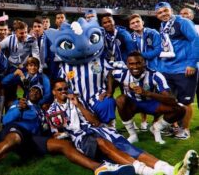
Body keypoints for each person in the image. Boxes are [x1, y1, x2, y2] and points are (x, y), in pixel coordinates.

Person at [0, 85, 135, 175]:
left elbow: (50, 127)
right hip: (17, 130)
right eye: (31, 90)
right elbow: (5, 120)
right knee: (13, 140)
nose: (34, 92)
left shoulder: (42, 111)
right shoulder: (21, 103)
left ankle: (100, 169)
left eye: (37, 92)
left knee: (65, 146)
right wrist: (19, 109)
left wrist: (59, 132)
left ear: (41, 97)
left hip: (33, 138)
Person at [47, 78, 199, 175]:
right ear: (54, 92)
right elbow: (57, 134)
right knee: (101, 143)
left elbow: (95, 122)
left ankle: (172, 170)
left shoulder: (78, 102)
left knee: (130, 148)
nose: (64, 92)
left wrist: (78, 104)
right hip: (82, 137)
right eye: (60, 89)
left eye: (66, 88)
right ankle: (149, 173)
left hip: (99, 130)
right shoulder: (52, 112)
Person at [110, 51, 186, 144]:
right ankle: (133, 135)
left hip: (151, 103)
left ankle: (156, 128)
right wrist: (110, 90)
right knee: (120, 99)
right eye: (132, 64)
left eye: (138, 63)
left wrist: (147, 93)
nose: (135, 67)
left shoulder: (155, 75)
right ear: (127, 64)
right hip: (132, 103)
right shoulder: (122, 74)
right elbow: (110, 74)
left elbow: (171, 99)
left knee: (180, 109)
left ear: (144, 63)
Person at [155, 2, 199, 139]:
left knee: (185, 102)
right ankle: (174, 127)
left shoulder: (183, 22)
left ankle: (185, 130)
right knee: (170, 101)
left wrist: (192, 63)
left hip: (184, 69)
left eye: (165, 11)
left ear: (171, 10)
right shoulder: (163, 26)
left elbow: (195, 40)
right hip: (168, 70)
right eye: (160, 12)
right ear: (157, 15)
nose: (163, 14)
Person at [128, 13, 162, 130]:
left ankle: (155, 123)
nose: (135, 24)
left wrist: (141, 57)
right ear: (130, 26)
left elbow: (158, 50)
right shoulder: (130, 37)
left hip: (153, 69)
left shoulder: (153, 33)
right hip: (139, 71)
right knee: (141, 95)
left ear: (143, 22)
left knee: (155, 96)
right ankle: (144, 121)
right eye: (133, 23)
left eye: (137, 21)